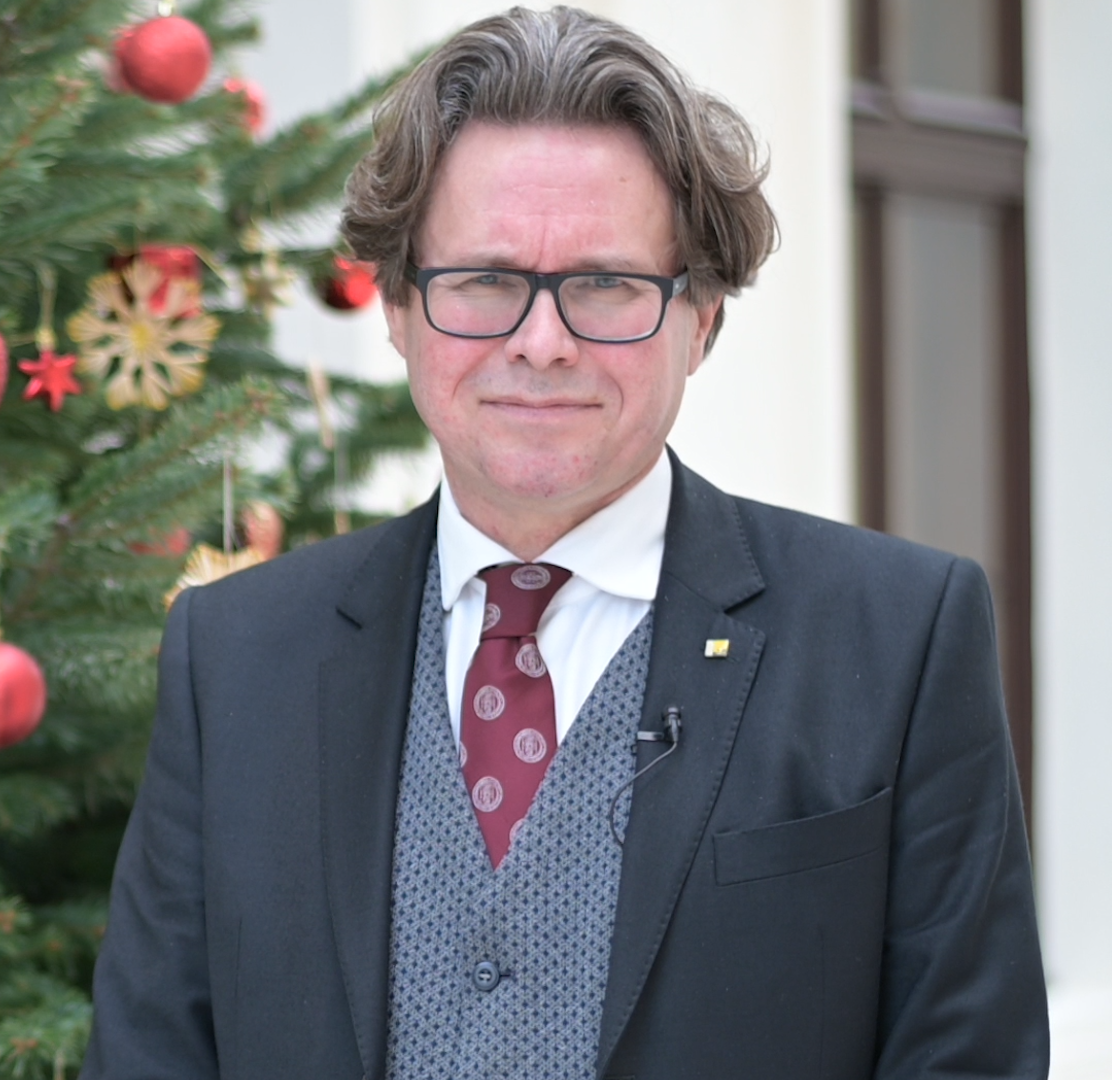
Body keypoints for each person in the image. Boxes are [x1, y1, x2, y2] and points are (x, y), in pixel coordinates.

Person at [80, 7, 1047, 1080]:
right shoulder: (236, 656)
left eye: (604, 284)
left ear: (703, 318)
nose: (541, 344)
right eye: (485, 281)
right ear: (398, 308)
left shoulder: (900, 640)